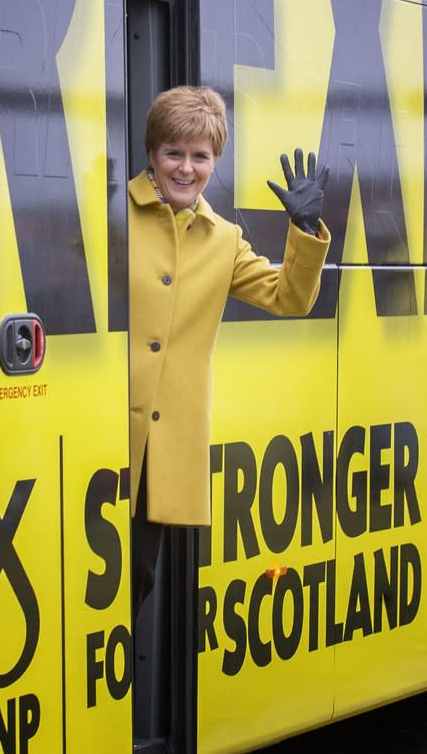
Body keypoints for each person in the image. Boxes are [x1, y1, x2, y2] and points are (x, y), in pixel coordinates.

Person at [128, 85, 331, 615]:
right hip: (97, 440)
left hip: (161, 449)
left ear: (215, 161)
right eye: (174, 152)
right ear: (152, 153)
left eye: (201, 156)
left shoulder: (224, 240)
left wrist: (304, 229)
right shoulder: (112, 214)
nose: (186, 168)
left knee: (136, 582)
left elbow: (290, 297)